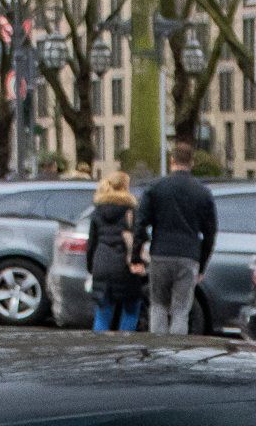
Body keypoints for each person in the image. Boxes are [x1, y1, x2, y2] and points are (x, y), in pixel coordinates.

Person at [133, 139, 217, 334]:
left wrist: (136, 256)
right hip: (188, 256)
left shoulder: (156, 188)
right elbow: (210, 233)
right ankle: (175, 352)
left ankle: (158, 350)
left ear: (172, 161)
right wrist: (202, 264)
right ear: (192, 163)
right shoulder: (202, 193)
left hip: (160, 254)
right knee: (181, 310)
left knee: (158, 306)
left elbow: (140, 224)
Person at [85, 171, 144, 332]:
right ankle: (123, 350)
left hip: (101, 264)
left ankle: (99, 351)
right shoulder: (130, 210)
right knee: (130, 310)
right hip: (124, 266)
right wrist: (138, 260)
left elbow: (91, 243)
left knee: (103, 314)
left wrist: (91, 268)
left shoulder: (98, 210)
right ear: (125, 187)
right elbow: (139, 237)